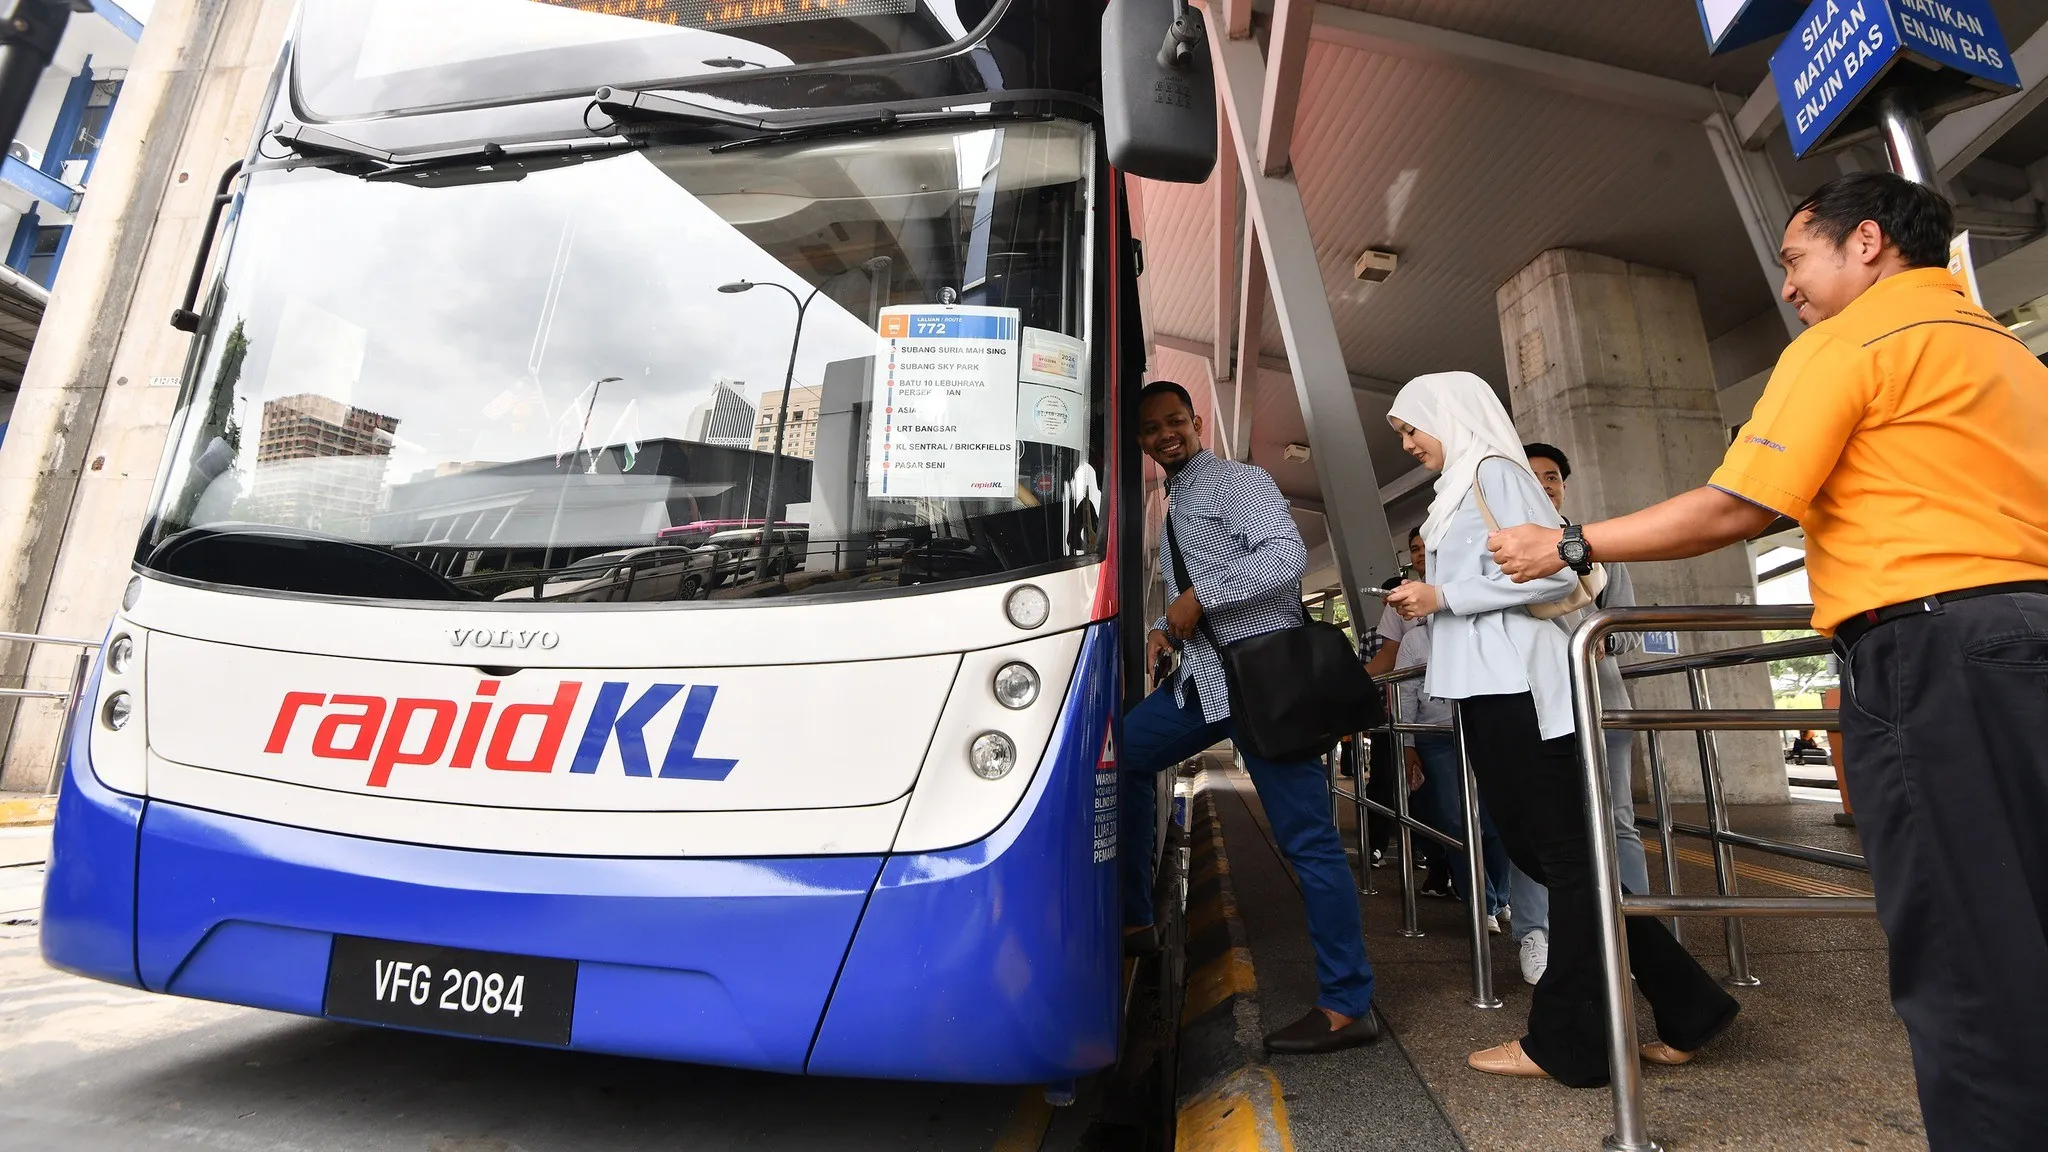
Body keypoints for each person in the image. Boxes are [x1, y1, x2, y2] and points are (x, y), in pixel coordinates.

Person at [1488, 171, 2048, 1147]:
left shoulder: (1848, 342)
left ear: (1864, 241)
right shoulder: (2002, 350)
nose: (1786, 285)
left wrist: (1569, 543)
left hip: (1930, 656)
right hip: (2027, 635)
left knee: (1962, 947)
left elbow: (1739, 502)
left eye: (1794, 259)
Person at [1383, 370, 1738, 1086]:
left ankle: (1570, 1043)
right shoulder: (1456, 485)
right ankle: (1689, 1003)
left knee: (1567, 861)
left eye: (1411, 426)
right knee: (1556, 860)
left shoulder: (1495, 472)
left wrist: (1442, 594)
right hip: (1489, 691)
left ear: (1448, 413)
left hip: (1525, 689)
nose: (1408, 442)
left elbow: (1556, 571)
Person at [1120, 380, 1380, 1055]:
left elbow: (1285, 556)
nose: (1165, 434)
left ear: (1197, 421)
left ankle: (1349, 1006)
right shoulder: (1173, 499)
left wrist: (1201, 597)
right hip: (1207, 685)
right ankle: (1133, 916)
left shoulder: (1236, 480)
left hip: (1263, 687)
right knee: (1118, 757)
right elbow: (1185, 595)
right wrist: (1162, 624)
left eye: (1175, 421)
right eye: (1151, 429)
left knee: (1310, 843)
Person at [1505, 442, 1653, 986]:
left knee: (1616, 820)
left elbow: (1627, 624)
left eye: (1553, 477)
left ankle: (1638, 932)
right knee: (1538, 823)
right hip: (1532, 703)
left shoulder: (1595, 544)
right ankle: (1536, 932)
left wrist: (1599, 641)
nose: (1544, 484)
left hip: (1600, 699)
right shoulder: (1503, 545)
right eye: (1533, 475)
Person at [1364, 527, 1511, 930]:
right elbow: (1399, 676)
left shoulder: (1477, 597)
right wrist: (1406, 738)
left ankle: (1498, 897)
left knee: (1495, 820)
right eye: (1414, 549)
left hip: (1481, 728)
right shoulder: (1411, 632)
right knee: (1453, 818)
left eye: (1426, 549)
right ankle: (1481, 902)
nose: (1420, 555)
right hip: (1437, 736)